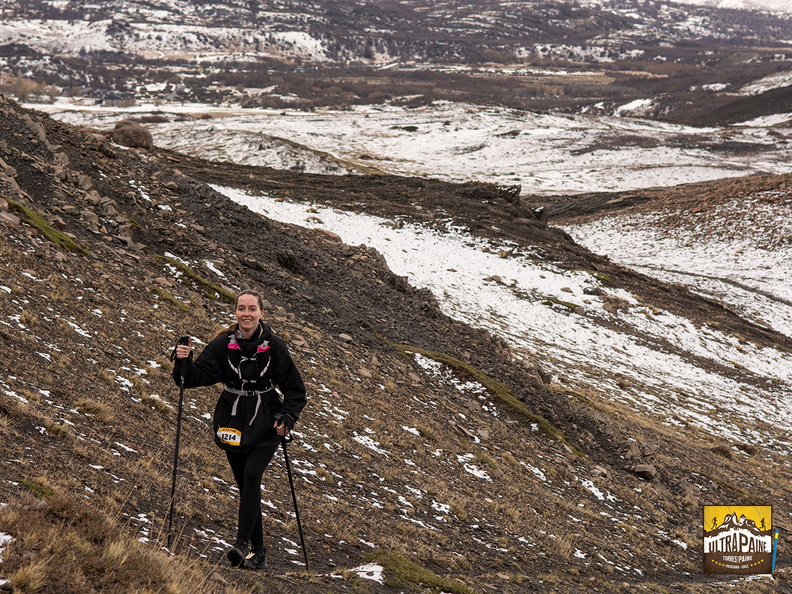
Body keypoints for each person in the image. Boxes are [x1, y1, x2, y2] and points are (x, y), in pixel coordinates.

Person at [173, 289, 307, 569]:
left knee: (251, 476)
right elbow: (191, 379)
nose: (246, 313)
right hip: (232, 422)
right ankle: (258, 553)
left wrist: (286, 417)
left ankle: (241, 544)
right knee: (247, 486)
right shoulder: (223, 345)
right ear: (235, 312)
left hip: (266, 423)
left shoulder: (275, 346)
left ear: (261, 313)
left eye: (252, 309)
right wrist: (182, 359)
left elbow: (296, 391)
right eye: (241, 308)